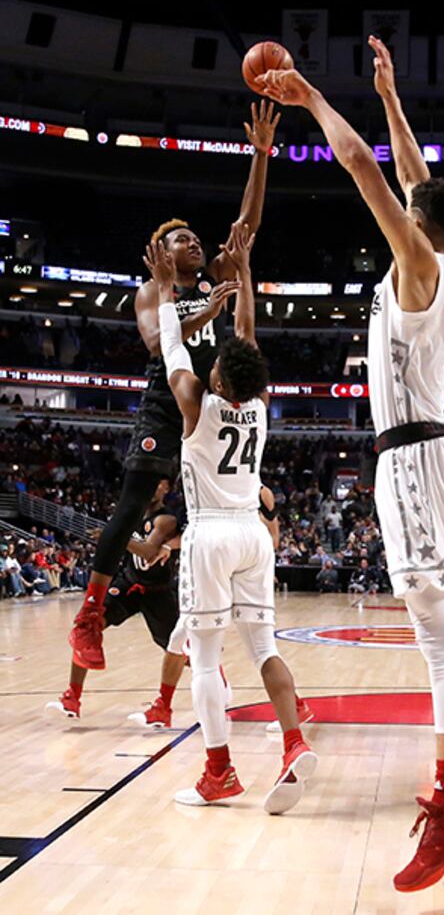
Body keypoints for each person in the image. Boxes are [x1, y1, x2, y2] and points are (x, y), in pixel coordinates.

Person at [259, 35, 444, 893]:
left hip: (413, 461)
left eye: (411, 205)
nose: (402, 200)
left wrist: (312, 96)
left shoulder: (420, 261)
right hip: (421, 455)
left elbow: (361, 166)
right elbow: (402, 166)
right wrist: (393, 96)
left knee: (435, 637)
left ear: (420, 223)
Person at [67, 101, 279, 673]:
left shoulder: (215, 278)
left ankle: (231, 636)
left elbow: (247, 227)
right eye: (181, 239)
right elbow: (157, 348)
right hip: (169, 401)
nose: (194, 243)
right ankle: (89, 617)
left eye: (193, 238)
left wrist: (260, 155)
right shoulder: (152, 291)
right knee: (134, 500)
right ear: (162, 254)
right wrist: (198, 312)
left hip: (215, 403)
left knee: (231, 508)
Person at [145, 223, 315, 813]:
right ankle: (294, 743)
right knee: (265, 649)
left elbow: (171, 349)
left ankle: (219, 772)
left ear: (218, 377)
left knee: (207, 659)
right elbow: (246, 337)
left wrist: (167, 292)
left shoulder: (196, 402)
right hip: (253, 536)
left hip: (212, 533)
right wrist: (242, 275)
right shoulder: (260, 406)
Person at [46, 477, 188, 727]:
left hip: (158, 591)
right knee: (88, 627)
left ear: (166, 487)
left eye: (157, 483)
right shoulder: (130, 515)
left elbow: (148, 551)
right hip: (128, 583)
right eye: (148, 482)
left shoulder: (167, 520)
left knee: (179, 649)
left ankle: (205, 682)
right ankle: (72, 697)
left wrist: (113, 536)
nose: (151, 486)